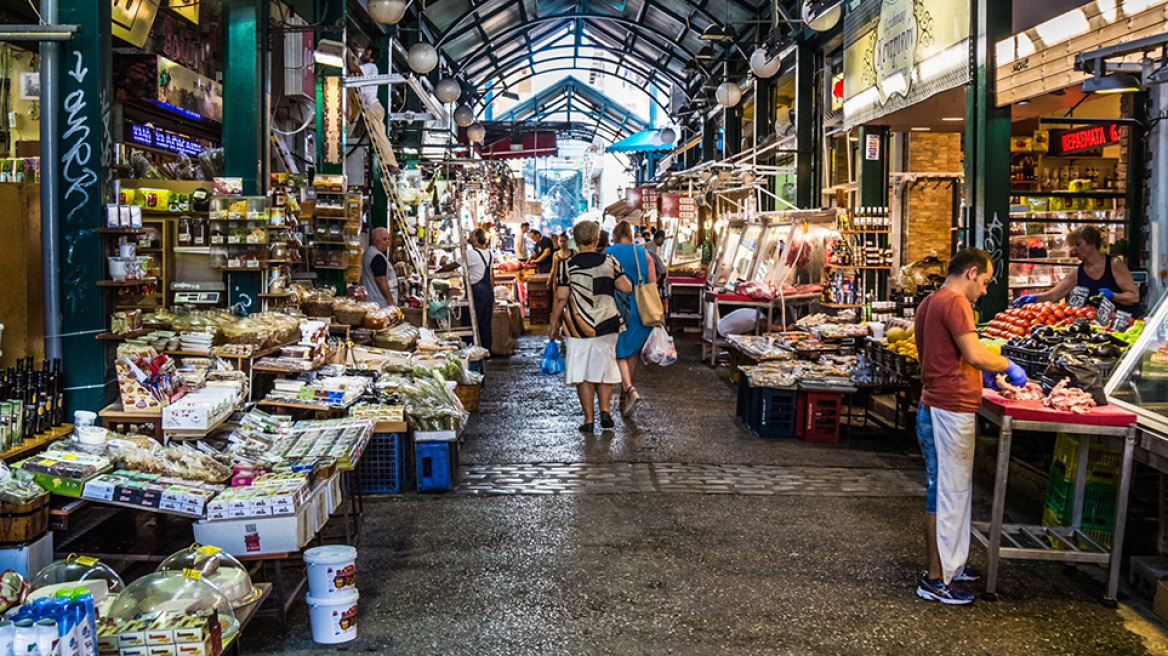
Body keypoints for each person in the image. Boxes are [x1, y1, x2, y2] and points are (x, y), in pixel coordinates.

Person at [914, 248, 1026, 605]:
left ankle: (952, 565)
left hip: (937, 403)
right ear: (971, 272)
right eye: (985, 282)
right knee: (946, 494)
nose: (985, 290)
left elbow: (947, 357)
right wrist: (1006, 365)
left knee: (951, 493)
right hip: (948, 409)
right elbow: (975, 354)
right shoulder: (957, 303)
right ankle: (936, 578)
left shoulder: (929, 302)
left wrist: (985, 379)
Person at [548, 221, 633, 434]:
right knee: (603, 367)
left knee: (582, 372)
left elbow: (561, 298)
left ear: (576, 241)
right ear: (597, 240)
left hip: (578, 326)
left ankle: (588, 419)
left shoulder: (567, 264)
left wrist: (553, 323)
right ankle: (605, 410)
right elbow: (626, 288)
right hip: (607, 323)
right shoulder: (610, 261)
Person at [1013, 226, 1141, 316]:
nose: (1074, 249)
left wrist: (1114, 296)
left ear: (1092, 244)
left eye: (1078, 244)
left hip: (1123, 322)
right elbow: (1053, 295)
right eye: (1073, 245)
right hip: (1098, 326)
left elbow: (1134, 297)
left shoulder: (1114, 264)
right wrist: (1034, 298)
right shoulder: (1077, 273)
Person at [607, 220, 658, 416]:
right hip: (639, 308)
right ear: (630, 234)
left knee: (619, 351)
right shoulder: (643, 253)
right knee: (631, 354)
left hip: (616, 306)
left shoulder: (609, 253)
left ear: (615, 235)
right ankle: (625, 393)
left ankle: (628, 389)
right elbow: (652, 282)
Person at [438, 228, 495, 352]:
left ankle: (470, 351)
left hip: (477, 293)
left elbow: (450, 266)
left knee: (469, 322)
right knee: (485, 324)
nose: (468, 235)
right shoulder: (489, 253)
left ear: (476, 237)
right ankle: (486, 351)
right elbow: (492, 276)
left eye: (471, 234)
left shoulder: (471, 254)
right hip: (488, 292)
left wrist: (435, 274)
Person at [347, 47, 398, 172]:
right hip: (371, 108)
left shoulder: (371, 67)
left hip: (372, 107)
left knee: (379, 136)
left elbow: (353, 68)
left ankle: (392, 163)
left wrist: (346, 51)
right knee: (362, 133)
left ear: (372, 57)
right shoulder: (367, 67)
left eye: (366, 52)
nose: (363, 53)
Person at [359, 227, 397, 307]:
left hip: (369, 300)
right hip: (378, 303)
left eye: (388, 239)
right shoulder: (377, 256)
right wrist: (390, 302)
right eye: (384, 239)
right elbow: (380, 279)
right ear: (375, 241)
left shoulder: (367, 253)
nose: (388, 242)